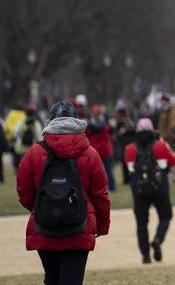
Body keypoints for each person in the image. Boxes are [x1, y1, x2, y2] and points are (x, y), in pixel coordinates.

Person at [16, 101, 110, 285]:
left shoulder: (34, 152)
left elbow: (23, 190)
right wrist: (102, 225)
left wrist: (41, 207)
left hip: (45, 226)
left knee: (51, 278)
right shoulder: (90, 153)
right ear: (76, 120)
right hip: (79, 226)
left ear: (50, 120)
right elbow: (100, 194)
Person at [124, 118, 175, 263]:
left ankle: (145, 255)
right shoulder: (160, 145)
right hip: (160, 188)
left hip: (139, 190)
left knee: (141, 223)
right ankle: (158, 239)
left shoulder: (130, 148)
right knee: (165, 216)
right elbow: (173, 161)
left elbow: (129, 168)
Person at [86, 105, 116, 192]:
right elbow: (110, 131)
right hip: (105, 150)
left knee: (97, 171)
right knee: (108, 169)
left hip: (95, 150)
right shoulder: (105, 124)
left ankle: (99, 187)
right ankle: (112, 187)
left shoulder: (89, 125)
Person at [13, 103, 44, 170]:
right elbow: (39, 136)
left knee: (22, 166)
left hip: (20, 148)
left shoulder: (21, 122)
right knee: (31, 166)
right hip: (32, 147)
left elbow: (15, 133)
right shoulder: (36, 123)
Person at [113, 102, 136, 185]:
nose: (122, 113)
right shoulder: (119, 121)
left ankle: (132, 178)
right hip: (122, 144)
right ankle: (126, 179)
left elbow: (134, 128)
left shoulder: (130, 119)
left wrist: (126, 130)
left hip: (130, 142)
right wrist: (118, 133)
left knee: (132, 161)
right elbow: (115, 132)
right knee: (124, 162)